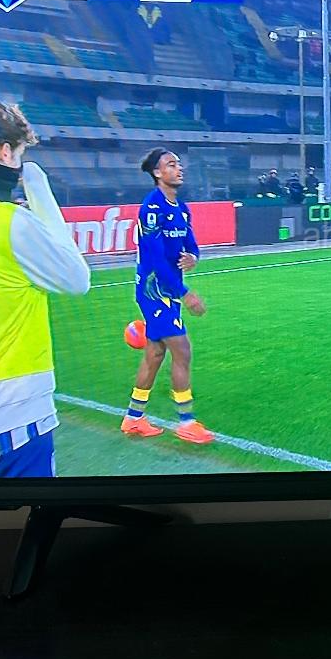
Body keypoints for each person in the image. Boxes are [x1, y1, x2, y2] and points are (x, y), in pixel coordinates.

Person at [0, 99, 91, 478]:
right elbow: (77, 278)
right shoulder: (9, 222)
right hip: (14, 412)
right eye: (20, 154)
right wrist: (39, 188)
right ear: (4, 152)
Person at [120, 148, 214, 445]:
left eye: (178, 164)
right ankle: (186, 422)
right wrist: (186, 293)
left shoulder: (181, 208)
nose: (179, 168)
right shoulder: (151, 208)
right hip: (153, 291)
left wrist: (193, 258)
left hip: (169, 291)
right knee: (182, 351)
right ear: (158, 173)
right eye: (171, 165)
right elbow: (155, 259)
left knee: (155, 354)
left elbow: (191, 245)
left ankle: (133, 418)